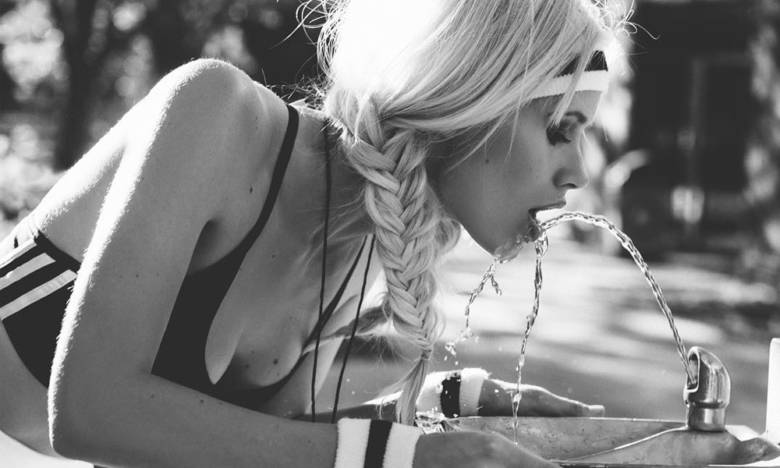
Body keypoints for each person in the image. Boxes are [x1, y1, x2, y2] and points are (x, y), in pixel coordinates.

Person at [0, 0, 620, 467]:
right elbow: (89, 411)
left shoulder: (368, 237)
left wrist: (450, 406)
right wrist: (405, 457)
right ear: (473, 98)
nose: (579, 173)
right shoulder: (217, 113)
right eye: (560, 129)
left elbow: (269, 440)